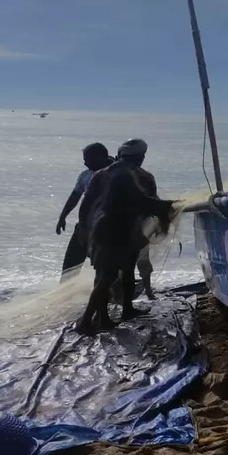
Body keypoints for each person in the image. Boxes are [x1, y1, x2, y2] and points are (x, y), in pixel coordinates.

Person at [76, 139, 174, 334]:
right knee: (108, 276)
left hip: (102, 228)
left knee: (113, 272)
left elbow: (86, 204)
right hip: (116, 230)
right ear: (140, 157)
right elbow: (144, 202)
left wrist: (84, 228)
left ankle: (113, 314)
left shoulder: (101, 174)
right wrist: (169, 207)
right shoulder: (130, 175)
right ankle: (86, 320)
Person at [57, 142, 111, 274]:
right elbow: (74, 197)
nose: (85, 163)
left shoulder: (114, 174)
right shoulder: (85, 175)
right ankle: (66, 285)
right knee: (71, 262)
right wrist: (62, 217)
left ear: (100, 157)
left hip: (107, 227)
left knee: (104, 263)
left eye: (88, 159)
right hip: (84, 225)